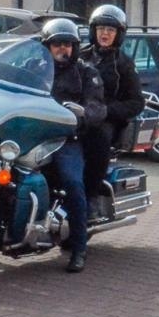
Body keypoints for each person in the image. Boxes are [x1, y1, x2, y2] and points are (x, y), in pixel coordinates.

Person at [40, 20, 107, 273]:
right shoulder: (33, 69)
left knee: (73, 182)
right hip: (32, 135)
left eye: (67, 44)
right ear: (46, 46)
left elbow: (97, 106)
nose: (62, 49)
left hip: (65, 138)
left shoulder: (86, 73)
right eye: (57, 44)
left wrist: (80, 115)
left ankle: (79, 248)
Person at [80, 4, 143, 221]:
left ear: (118, 34)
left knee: (97, 142)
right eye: (101, 29)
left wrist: (107, 110)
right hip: (77, 115)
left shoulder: (124, 64)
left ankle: (91, 197)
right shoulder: (80, 56)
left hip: (107, 120)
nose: (105, 33)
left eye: (110, 29)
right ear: (93, 31)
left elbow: (136, 103)